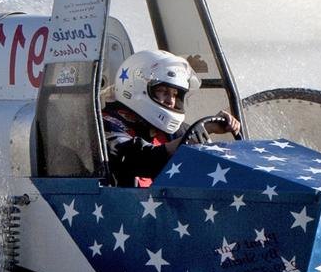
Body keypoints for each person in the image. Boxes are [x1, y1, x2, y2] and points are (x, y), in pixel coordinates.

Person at [102, 49, 242, 187]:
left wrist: (211, 127)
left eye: (175, 94)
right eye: (163, 91)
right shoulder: (106, 125)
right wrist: (200, 132)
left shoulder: (161, 126)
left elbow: (191, 133)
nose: (171, 101)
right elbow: (138, 157)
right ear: (135, 87)